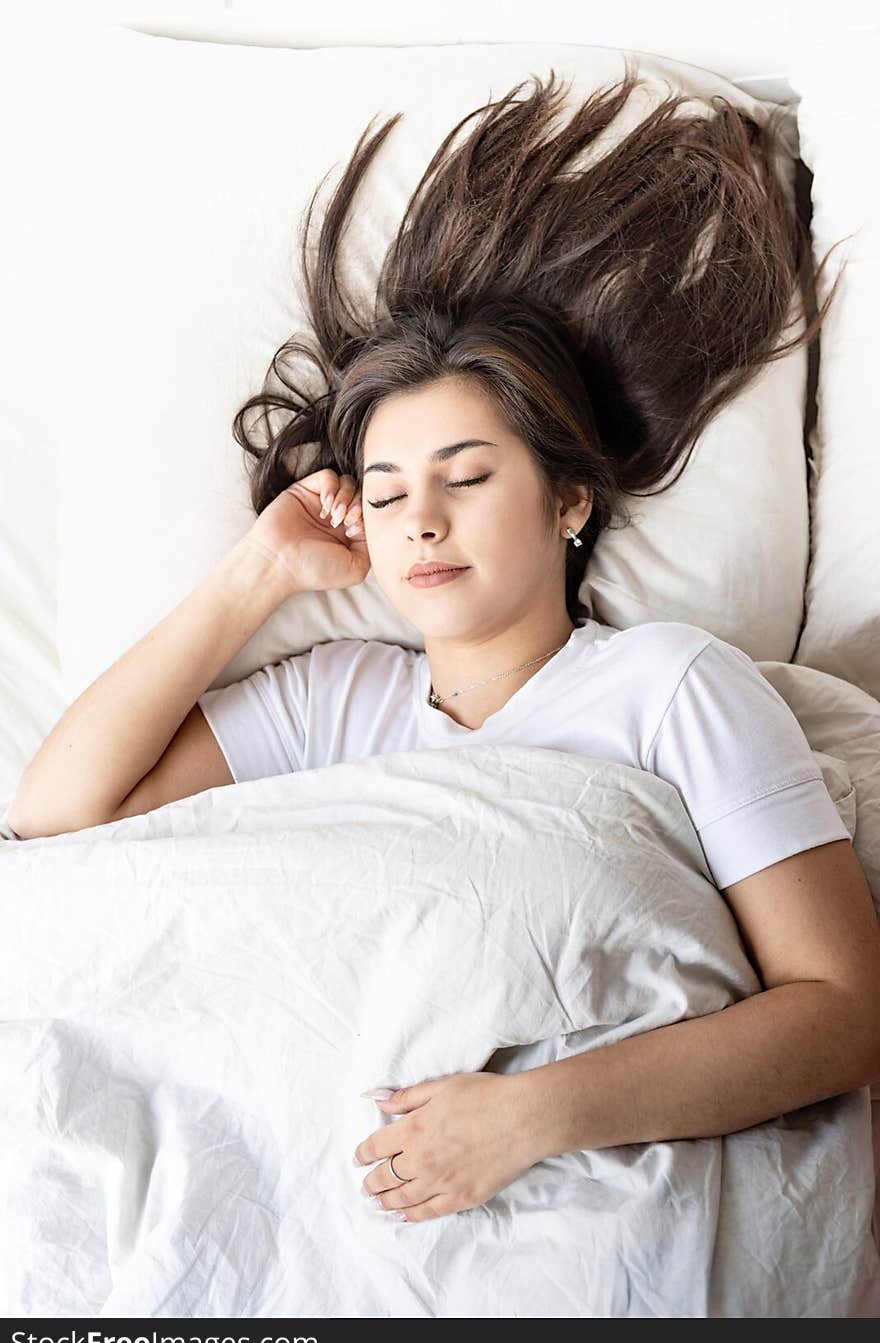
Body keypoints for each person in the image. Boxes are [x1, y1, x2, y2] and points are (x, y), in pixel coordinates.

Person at [9, 62, 879, 1228]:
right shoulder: (334, 698)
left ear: (569, 500)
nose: (419, 517)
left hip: (568, 1180)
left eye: (466, 477)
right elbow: (63, 821)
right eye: (384, 489)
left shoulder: (673, 686)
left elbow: (840, 1006)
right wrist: (258, 573)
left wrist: (531, 1115)